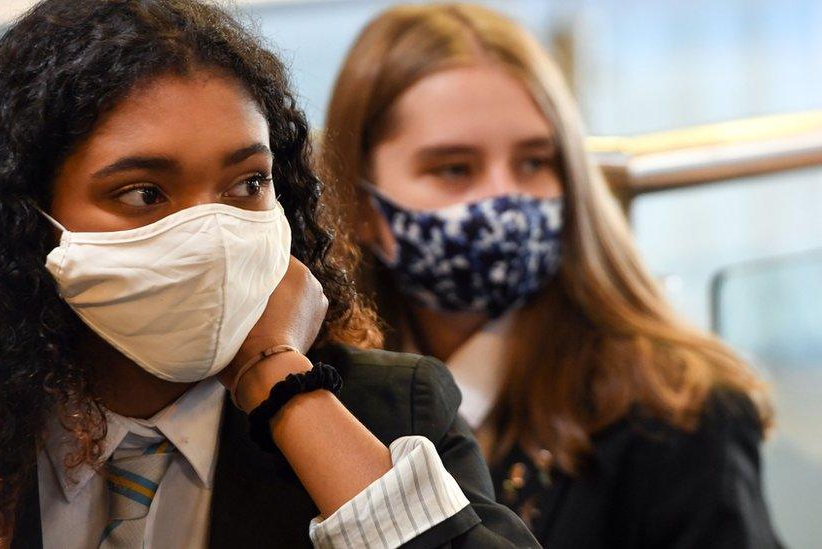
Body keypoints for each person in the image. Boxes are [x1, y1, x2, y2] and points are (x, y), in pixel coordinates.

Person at [0, 1, 540, 547]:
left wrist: (279, 381)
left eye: (246, 184)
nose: (212, 234)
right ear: (25, 217)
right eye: (145, 192)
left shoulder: (391, 412)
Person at [319, 3, 782, 548]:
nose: (503, 199)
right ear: (364, 206)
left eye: (534, 162)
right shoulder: (327, 395)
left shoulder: (679, 413)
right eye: (454, 169)